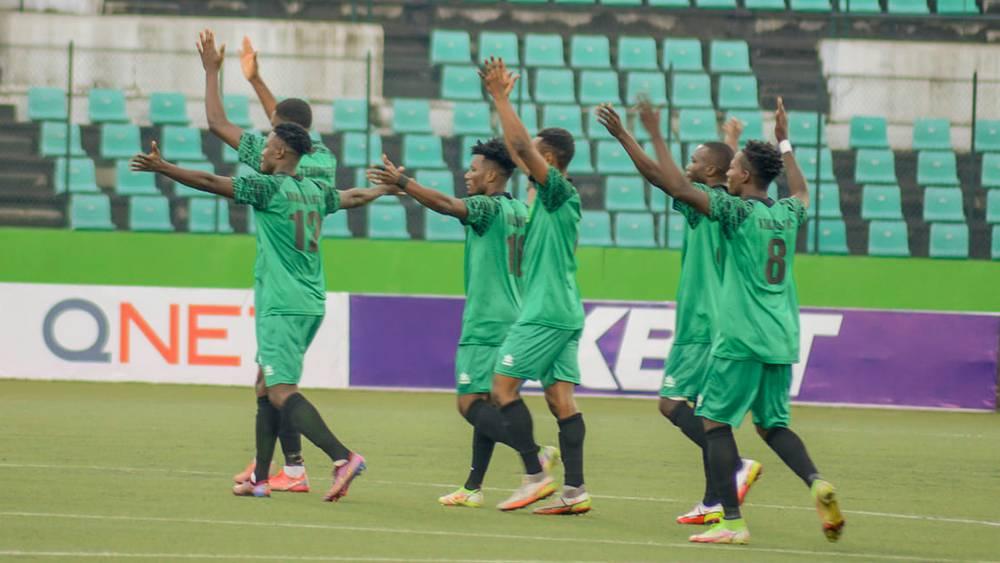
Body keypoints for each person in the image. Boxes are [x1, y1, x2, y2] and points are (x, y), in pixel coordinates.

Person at [597, 99, 844, 544]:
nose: (729, 171)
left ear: (744, 176)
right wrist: (784, 139)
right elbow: (803, 192)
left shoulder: (734, 212)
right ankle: (816, 481)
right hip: (782, 337)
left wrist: (651, 131)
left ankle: (730, 519)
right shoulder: (786, 213)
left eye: (735, 168)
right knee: (772, 425)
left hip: (740, 335)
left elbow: (673, 185)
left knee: (713, 422)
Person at [131, 122, 394, 501]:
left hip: (282, 304)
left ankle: (342, 458)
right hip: (309, 301)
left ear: (282, 153)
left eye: (268, 148)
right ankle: (260, 479)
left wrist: (164, 168)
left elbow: (210, 181)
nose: (263, 154)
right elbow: (352, 196)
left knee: (282, 390)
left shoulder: (269, 188)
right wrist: (385, 188)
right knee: (265, 386)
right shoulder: (316, 190)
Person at [367, 139, 557, 508]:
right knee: (488, 401)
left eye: (472, 170)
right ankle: (473, 487)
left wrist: (404, 185)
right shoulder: (521, 210)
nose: (467, 175)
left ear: (491, 174)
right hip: (515, 317)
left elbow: (446, 205)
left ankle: (534, 455)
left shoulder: (486, 208)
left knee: (469, 404)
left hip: (487, 321)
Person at [196, 29, 337, 491]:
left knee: (278, 385)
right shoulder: (323, 163)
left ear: (279, 142)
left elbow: (221, 124)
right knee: (274, 380)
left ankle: (309, 463)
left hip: (280, 284)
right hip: (311, 279)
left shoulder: (269, 164)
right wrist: (257, 81)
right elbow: (289, 128)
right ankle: (284, 469)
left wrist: (215, 72)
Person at [632, 100, 762, 526]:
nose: (688, 165)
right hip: (726, 323)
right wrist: (729, 143)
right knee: (710, 417)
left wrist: (628, 135)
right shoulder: (734, 206)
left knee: (671, 405)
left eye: (694, 160)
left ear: (708, 173)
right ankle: (713, 502)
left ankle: (736, 466)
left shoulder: (700, 199)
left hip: (699, 325)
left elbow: (658, 176)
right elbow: (722, 174)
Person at [481, 57, 590, 515]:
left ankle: (534, 474)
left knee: (501, 389)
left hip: (544, 312)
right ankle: (576, 492)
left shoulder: (558, 190)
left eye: (534, 155)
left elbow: (522, 147)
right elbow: (518, 144)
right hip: (564, 310)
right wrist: (499, 104)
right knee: (559, 399)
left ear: (549, 160)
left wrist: (502, 98)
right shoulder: (544, 195)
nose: (522, 157)